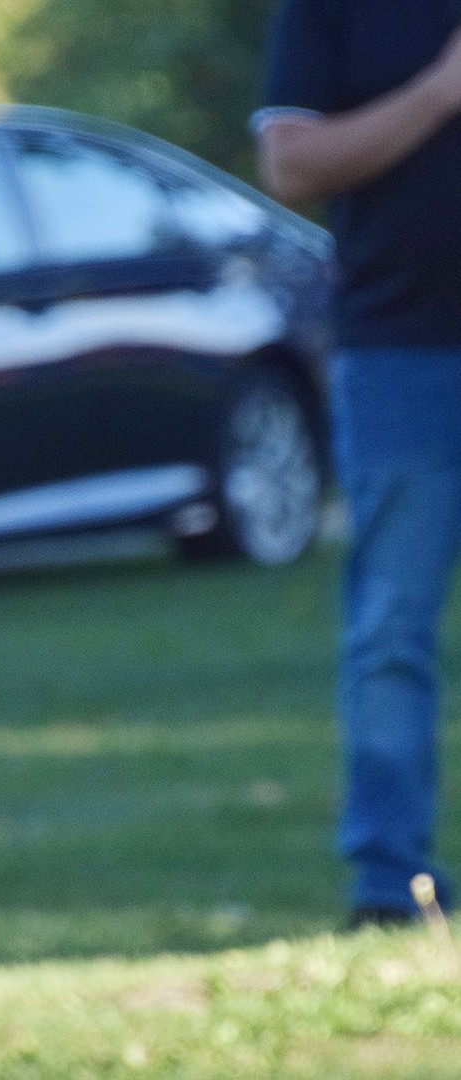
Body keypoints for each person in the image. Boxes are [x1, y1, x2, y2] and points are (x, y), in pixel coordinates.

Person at [252, 1, 461, 926]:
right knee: (392, 628)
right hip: (402, 356)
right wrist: (442, 89)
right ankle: (390, 884)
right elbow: (291, 162)